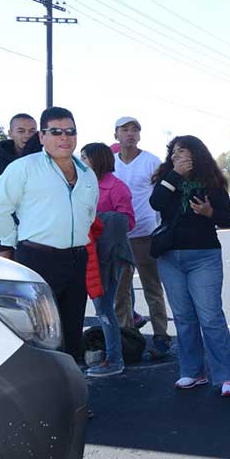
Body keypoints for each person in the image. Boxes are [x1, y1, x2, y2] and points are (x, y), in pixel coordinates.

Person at [0, 106, 98, 363]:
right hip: (37, 258)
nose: (64, 137)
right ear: (42, 137)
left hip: (77, 260)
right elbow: (0, 207)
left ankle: (72, 385)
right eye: (56, 132)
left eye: (70, 131)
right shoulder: (23, 168)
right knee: (38, 334)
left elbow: (89, 214)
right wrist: (11, 242)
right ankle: (39, 388)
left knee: (72, 331)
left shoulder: (87, 174)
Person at [150, 135, 230, 397]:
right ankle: (192, 371)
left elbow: (227, 218)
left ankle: (227, 375)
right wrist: (174, 175)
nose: (176, 156)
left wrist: (209, 213)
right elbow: (156, 203)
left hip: (204, 255)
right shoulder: (167, 178)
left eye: (182, 152)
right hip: (170, 256)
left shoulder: (212, 182)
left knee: (210, 316)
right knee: (183, 317)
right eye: (173, 152)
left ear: (196, 154)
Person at [112, 116, 171, 355]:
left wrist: (161, 226)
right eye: (125, 129)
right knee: (120, 292)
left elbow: (162, 196)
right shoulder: (110, 163)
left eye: (135, 130)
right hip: (118, 236)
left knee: (152, 288)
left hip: (145, 233)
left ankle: (161, 336)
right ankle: (127, 338)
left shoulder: (151, 161)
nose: (130, 133)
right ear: (116, 135)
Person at [80, 143, 136, 377]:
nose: (81, 162)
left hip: (111, 257)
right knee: (100, 308)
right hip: (87, 253)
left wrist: (94, 221)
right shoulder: (81, 184)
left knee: (105, 308)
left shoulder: (117, 187)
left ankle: (115, 359)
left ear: (98, 159)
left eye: (85, 157)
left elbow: (127, 221)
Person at [0, 113, 38, 258]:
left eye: (32, 131)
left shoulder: (44, 157)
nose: (27, 135)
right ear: (10, 133)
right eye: (21, 131)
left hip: (34, 229)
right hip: (2, 224)